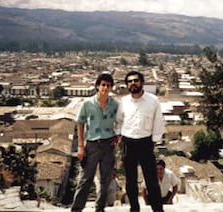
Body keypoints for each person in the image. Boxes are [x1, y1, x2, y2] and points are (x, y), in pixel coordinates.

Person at [116, 70, 165, 212]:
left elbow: (158, 121)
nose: (133, 83)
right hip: (128, 143)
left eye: (136, 80)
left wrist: (155, 140)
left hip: (146, 143)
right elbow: (119, 121)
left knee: (151, 181)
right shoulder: (123, 102)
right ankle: (134, 208)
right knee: (131, 181)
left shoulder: (153, 101)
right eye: (130, 81)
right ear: (127, 85)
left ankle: (157, 209)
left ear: (142, 83)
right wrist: (119, 136)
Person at [71, 73, 120, 212]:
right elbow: (80, 123)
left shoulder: (115, 105)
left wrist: (119, 136)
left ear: (111, 88)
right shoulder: (87, 104)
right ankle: (77, 208)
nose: (105, 87)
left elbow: (122, 122)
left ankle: (100, 209)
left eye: (108, 85)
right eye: (103, 84)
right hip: (91, 145)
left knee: (105, 181)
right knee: (85, 179)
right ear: (97, 86)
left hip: (108, 145)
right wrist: (80, 146)